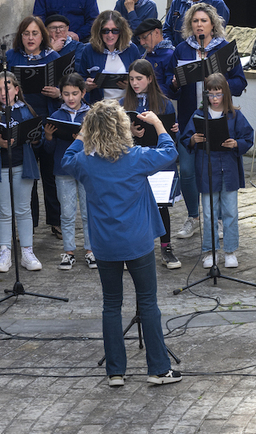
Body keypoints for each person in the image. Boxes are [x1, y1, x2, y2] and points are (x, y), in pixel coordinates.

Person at [61, 100, 181, 387]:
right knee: (148, 302)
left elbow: (66, 160)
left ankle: (115, 371)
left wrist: (81, 134)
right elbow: (170, 151)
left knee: (111, 305)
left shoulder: (86, 162)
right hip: (137, 241)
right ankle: (158, 369)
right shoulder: (136, 156)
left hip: (104, 244)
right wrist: (157, 123)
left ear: (92, 130)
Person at [167, 3, 247, 241]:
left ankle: (220, 220)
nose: (199, 25)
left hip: (220, 118)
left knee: (218, 171)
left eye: (203, 21)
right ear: (189, 25)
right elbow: (173, 91)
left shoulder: (224, 49)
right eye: (195, 21)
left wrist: (216, 84)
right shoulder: (181, 49)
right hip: (189, 120)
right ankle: (193, 216)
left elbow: (240, 83)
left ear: (213, 24)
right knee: (189, 172)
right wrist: (174, 84)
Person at [181, 73, 253, 269]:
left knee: (230, 212)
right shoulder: (198, 115)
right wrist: (193, 140)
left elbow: (248, 137)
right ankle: (209, 251)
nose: (214, 99)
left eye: (218, 94)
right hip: (207, 169)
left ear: (225, 94)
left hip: (229, 169)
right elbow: (186, 137)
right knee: (208, 213)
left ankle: (230, 251)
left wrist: (237, 143)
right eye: (211, 95)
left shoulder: (235, 115)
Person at [6, 16, 63, 239]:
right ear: (20, 36)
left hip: (48, 119)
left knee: (50, 174)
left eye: (35, 33)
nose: (31, 38)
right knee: (27, 175)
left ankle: (56, 221)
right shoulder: (11, 57)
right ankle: (27, 222)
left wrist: (58, 93)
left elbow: (67, 87)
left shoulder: (54, 57)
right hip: (22, 121)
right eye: (26, 33)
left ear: (43, 36)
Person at [0, 72, 43, 273]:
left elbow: (37, 138)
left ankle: (27, 251)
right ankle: (5, 252)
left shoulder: (26, 110)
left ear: (16, 90)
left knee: (23, 210)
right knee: (5, 211)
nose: (2, 93)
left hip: (22, 166)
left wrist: (33, 137)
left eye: (6, 88)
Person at [123, 59, 182, 269]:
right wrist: (130, 133)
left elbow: (171, 140)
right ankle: (133, 250)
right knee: (133, 207)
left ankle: (166, 247)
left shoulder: (164, 103)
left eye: (139, 79)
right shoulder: (124, 103)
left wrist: (172, 130)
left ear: (149, 78)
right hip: (134, 161)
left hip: (158, 162)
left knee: (161, 206)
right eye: (131, 79)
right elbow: (117, 139)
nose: (135, 83)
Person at [44, 73, 92, 269]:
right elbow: (48, 150)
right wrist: (48, 136)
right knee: (67, 212)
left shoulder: (91, 116)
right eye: (66, 94)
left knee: (89, 212)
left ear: (83, 93)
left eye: (74, 93)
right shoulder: (56, 116)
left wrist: (82, 138)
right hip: (63, 169)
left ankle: (91, 249)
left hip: (87, 169)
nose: (70, 98)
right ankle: (68, 250)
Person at [76, 10, 142, 104]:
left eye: (115, 31)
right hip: (99, 106)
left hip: (126, 105)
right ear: (99, 31)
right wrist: (86, 85)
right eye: (105, 31)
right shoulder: (89, 50)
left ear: (121, 32)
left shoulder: (132, 49)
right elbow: (80, 78)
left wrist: (131, 86)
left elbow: (142, 79)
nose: (110, 35)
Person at [134, 18, 174, 95]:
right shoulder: (143, 57)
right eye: (140, 39)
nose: (142, 43)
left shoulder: (170, 55)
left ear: (156, 32)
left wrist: (146, 88)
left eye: (144, 37)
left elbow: (171, 89)